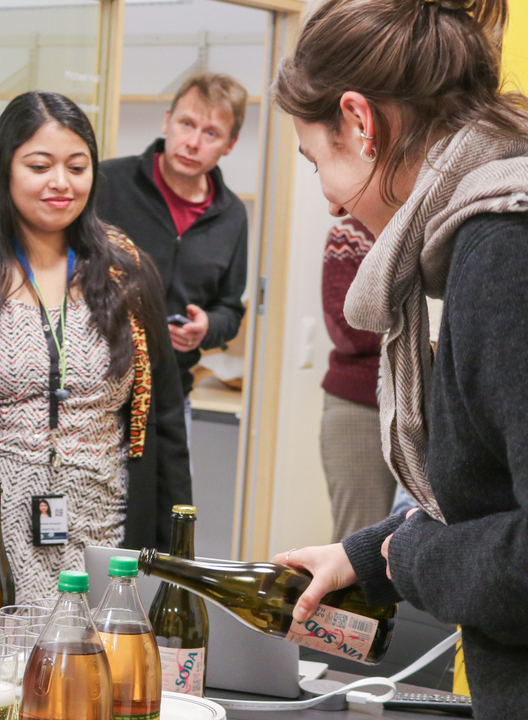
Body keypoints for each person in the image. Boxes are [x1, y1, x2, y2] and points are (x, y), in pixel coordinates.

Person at [271, 0, 528, 713]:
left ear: (360, 122)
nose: (326, 200)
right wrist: (364, 557)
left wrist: (411, 559)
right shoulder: (498, 223)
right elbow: (495, 492)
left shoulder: (503, 253)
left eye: (316, 160)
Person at [0, 92, 192, 630]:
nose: (61, 183)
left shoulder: (130, 271)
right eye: (40, 166)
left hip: (107, 523)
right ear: (5, 168)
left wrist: (173, 560)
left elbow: (166, 422)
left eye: (77, 167)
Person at [95, 73, 249, 434]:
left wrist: (207, 328)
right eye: (186, 124)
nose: (193, 142)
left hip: (171, 398)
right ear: (167, 121)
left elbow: (230, 308)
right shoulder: (108, 182)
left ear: (230, 144)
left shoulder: (232, 215)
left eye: (211, 133)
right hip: (93, 392)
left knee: (174, 493)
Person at [319, 217, 395, 541]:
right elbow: (347, 329)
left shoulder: (448, 221)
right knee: (359, 546)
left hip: (439, 409)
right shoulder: (350, 233)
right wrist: (423, 331)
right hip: (362, 407)